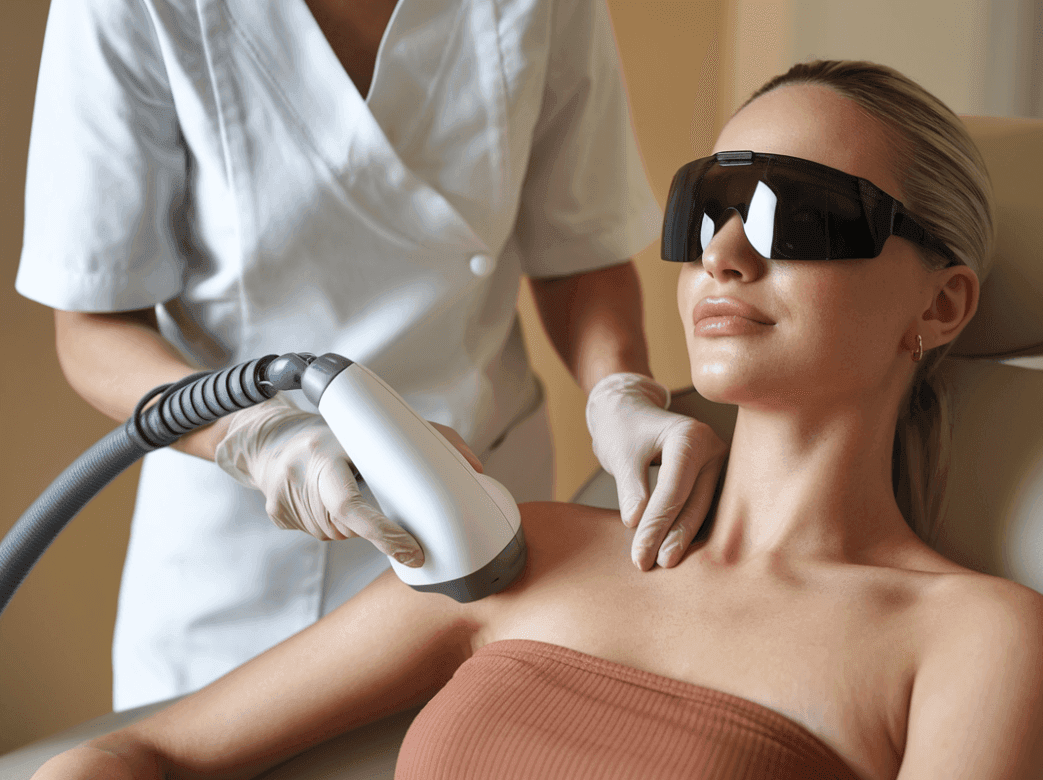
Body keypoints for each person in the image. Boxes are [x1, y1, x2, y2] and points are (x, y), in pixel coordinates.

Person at [32, 59, 1043, 780]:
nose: (724, 254)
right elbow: (143, 757)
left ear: (941, 303)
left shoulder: (979, 641)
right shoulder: (514, 548)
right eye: (706, 209)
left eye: (797, 214)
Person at [13, 0, 729, 711]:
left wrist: (619, 391)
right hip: (250, 551)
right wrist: (255, 435)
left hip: (479, 511)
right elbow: (93, 325)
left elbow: (579, 254)